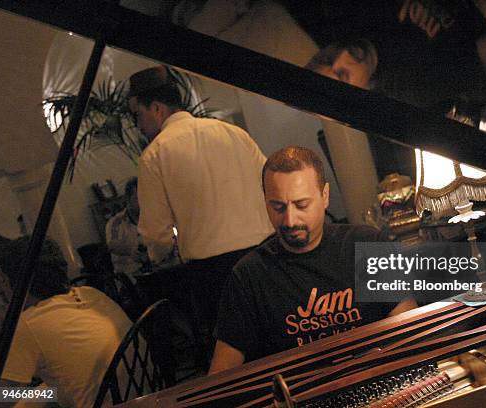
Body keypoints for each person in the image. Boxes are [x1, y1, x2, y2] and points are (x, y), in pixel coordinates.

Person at [209, 146, 417, 373]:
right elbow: (221, 377)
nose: (289, 220)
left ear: (324, 196)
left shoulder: (367, 245)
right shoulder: (249, 276)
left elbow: (410, 333)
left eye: (301, 205)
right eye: (278, 206)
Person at [128, 65, 273, 337]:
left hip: (214, 273)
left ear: (157, 108)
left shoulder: (155, 155)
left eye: (139, 115)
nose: (138, 126)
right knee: (278, 336)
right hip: (264, 257)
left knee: (238, 355)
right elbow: (272, 187)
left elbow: (156, 233)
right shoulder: (232, 133)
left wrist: (159, 255)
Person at [0, 236, 133, 408]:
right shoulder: (90, 293)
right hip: (147, 394)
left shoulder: (29, 324)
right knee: (42, 394)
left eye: (2, 280)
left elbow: (1, 398)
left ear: (16, 282)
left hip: (105, 404)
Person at [105, 177, 151, 278]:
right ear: (128, 199)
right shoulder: (116, 222)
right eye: (138, 198)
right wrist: (132, 250)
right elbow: (112, 245)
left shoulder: (153, 218)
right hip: (131, 277)